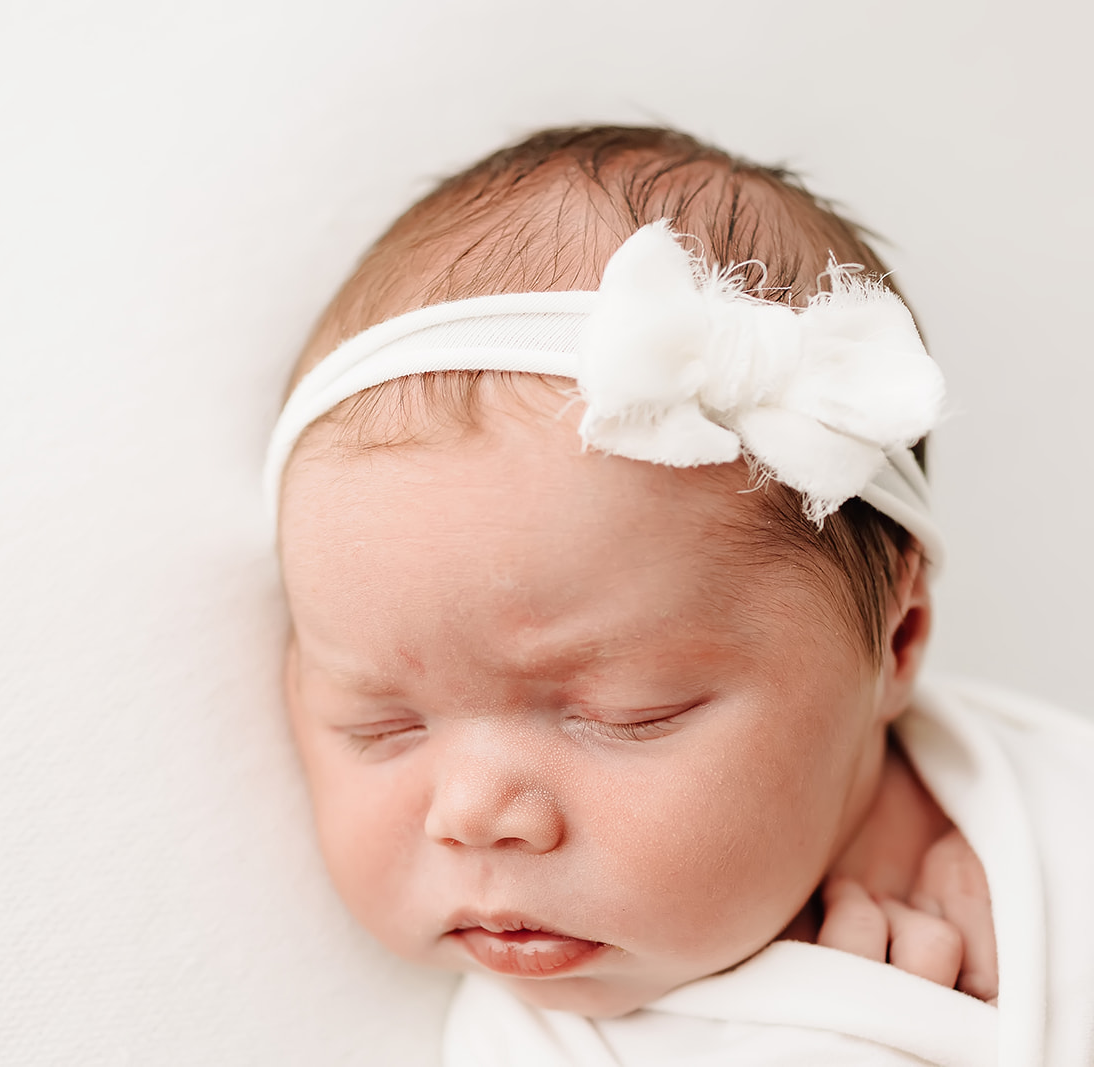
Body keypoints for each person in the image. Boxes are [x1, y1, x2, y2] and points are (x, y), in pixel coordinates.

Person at [264, 126, 1094, 1065]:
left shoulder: (1064, 814)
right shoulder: (537, 1040)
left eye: (626, 713)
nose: (471, 812)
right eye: (378, 723)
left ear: (898, 639)